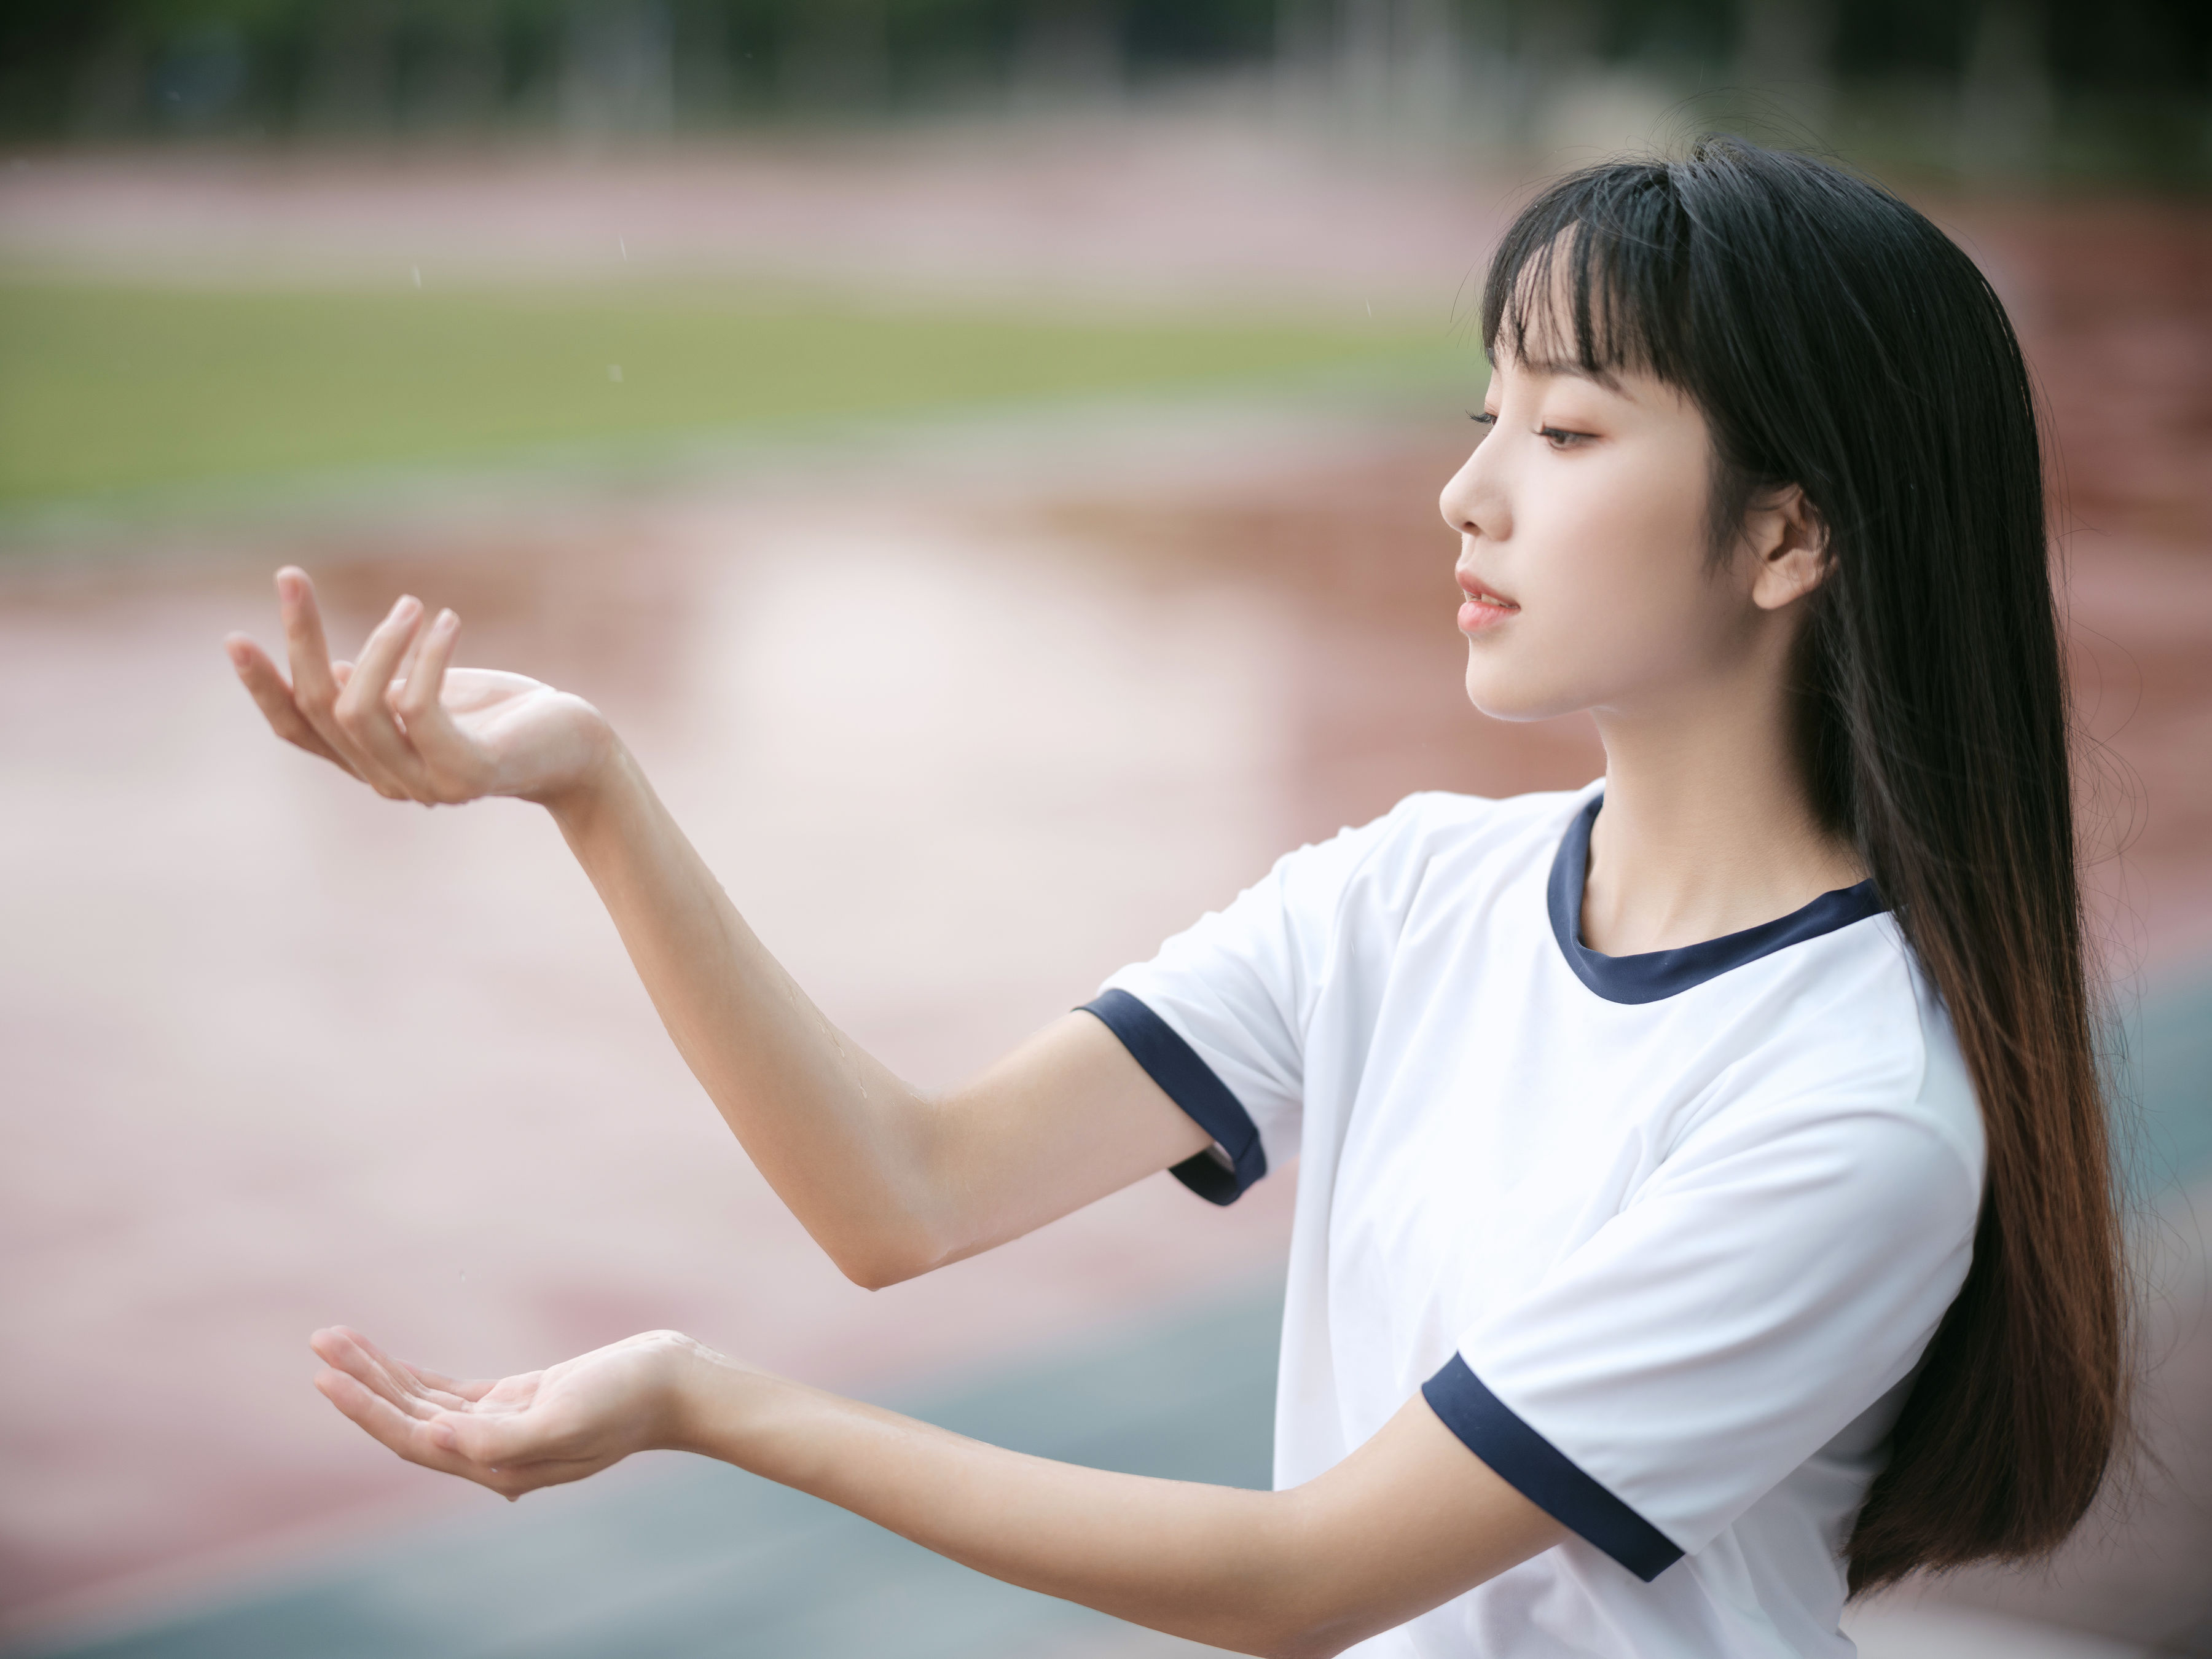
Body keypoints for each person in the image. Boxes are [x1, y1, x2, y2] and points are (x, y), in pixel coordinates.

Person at [224, 139, 2125, 1659]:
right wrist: (593, 785)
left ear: (1792, 532)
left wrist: (714, 1406)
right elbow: (907, 1190)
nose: (1466, 493)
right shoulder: (1411, 890)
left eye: (1565, 431)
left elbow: (1301, 1581)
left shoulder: (1850, 1111)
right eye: (1484, 412)